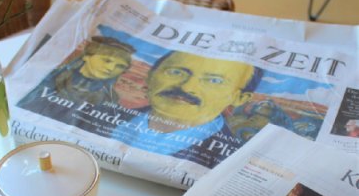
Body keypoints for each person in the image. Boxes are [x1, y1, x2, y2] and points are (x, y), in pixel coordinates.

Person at [111, 50, 262, 166]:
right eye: (176, 72)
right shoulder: (110, 114)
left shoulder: (234, 160)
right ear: (150, 75)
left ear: (240, 98)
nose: (186, 87)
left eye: (214, 81)